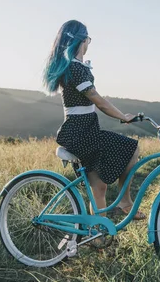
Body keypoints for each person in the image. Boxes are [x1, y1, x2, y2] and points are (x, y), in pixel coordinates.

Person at [42, 20, 145, 220]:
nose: (89, 43)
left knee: (98, 186)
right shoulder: (75, 69)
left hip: (83, 130)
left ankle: (97, 234)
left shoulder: (75, 67)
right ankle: (125, 202)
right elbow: (99, 101)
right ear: (82, 40)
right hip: (81, 133)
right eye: (88, 38)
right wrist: (123, 117)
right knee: (132, 148)